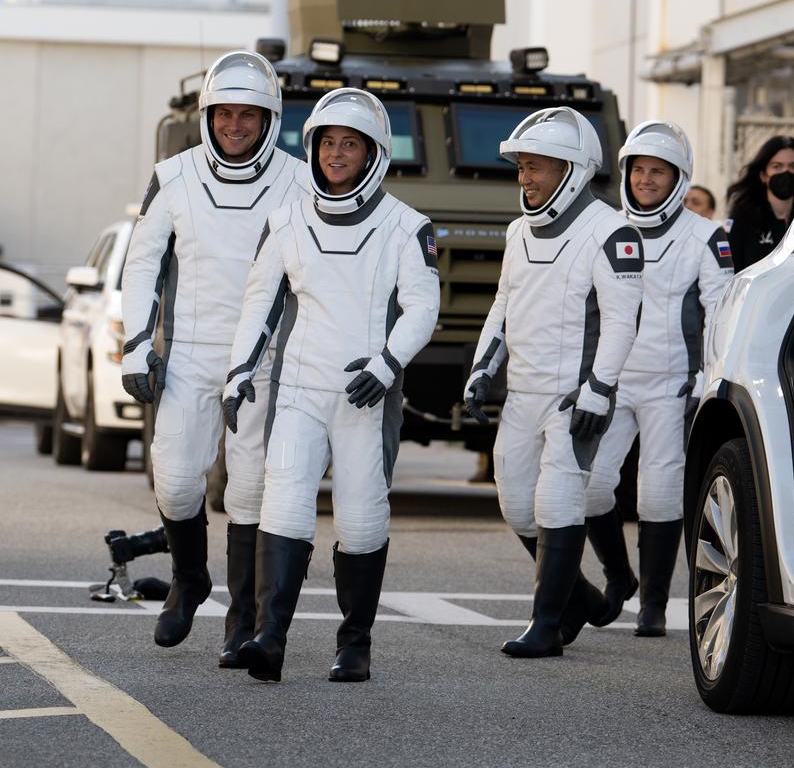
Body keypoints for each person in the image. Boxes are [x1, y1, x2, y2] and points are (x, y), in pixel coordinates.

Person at [222, 88, 439, 682]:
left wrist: (387, 364)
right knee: (285, 501)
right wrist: (240, 371)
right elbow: (259, 305)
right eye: (326, 143)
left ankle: (355, 644)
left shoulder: (406, 225)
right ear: (312, 147)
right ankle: (269, 639)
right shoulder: (286, 219)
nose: (335, 154)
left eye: (349, 144)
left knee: (362, 519)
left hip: (365, 394)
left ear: (374, 153)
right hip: (298, 388)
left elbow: (423, 307)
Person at [119, 50, 309, 667]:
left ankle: (244, 621)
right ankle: (189, 578)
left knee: (250, 490)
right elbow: (143, 263)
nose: (235, 125)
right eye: (224, 113)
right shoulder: (171, 176)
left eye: (248, 115)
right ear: (206, 115)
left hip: (264, 355)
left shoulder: (298, 180)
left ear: (268, 118)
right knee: (174, 482)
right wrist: (137, 344)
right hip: (192, 353)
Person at [462, 106, 644, 658]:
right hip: (522, 393)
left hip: (576, 396)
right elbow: (503, 305)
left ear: (573, 169)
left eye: (537, 167)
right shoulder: (518, 232)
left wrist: (599, 388)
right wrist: (481, 368)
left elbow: (621, 320)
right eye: (522, 167)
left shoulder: (613, 232)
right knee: (516, 505)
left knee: (558, 503)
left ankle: (546, 626)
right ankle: (582, 601)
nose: (526, 178)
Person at [583, 122, 734, 637]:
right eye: (640, 169)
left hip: (673, 383)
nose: (647, 180)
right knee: (590, 487)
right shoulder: (602, 226)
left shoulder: (707, 236)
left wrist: (706, 381)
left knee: (658, 496)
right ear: (626, 173)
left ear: (679, 178)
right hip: (612, 380)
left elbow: (720, 312)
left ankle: (652, 606)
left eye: (659, 172)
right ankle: (618, 575)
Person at [725, 135, 794, 272]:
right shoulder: (742, 216)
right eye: (777, 166)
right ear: (763, 175)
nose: (786, 172)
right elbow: (731, 269)